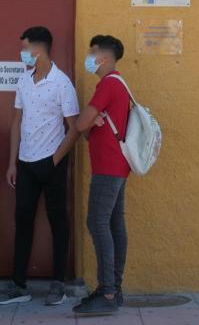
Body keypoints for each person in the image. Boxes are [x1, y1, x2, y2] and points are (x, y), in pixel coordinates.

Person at [0, 27, 80, 307]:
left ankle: (58, 284)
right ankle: (19, 285)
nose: (22, 54)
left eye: (25, 48)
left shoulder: (62, 83)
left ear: (38, 50)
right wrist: (12, 163)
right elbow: (17, 121)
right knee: (23, 220)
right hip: (26, 164)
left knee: (58, 220)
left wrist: (55, 160)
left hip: (51, 162)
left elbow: (74, 129)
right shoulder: (24, 80)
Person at [72, 35, 131, 315]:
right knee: (113, 224)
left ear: (103, 58)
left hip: (108, 166)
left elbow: (81, 123)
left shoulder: (108, 84)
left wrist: (88, 123)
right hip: (117, 165)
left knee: (98, 223)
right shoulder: (119, 83)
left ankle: (107, 291)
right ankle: (113, 289)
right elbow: (87, 124)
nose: (88, 56)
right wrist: (89, 123)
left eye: (91, 52)